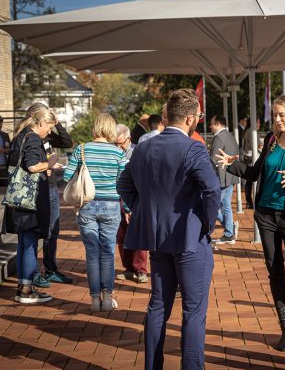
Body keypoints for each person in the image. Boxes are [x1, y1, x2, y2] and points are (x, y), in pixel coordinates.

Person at [117, 88, 220, 370]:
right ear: (189, 119)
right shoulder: (193, 147)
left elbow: (123, 185)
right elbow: (211, 188)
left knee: (158, 305)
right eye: (197, 116)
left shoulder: (144, 147)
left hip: (158, 238)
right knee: (193, 311)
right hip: (189, 237)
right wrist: (207, 223)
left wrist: (146, 209)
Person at [216, 95, 285, 352]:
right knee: (274, 271)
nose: (278, 120)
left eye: (283, 115)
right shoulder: (271, 141)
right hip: (266, 215)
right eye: (276, 115)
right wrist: (232, 164)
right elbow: (254, 173)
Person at [64, 113, 127, 311]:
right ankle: (108, 298)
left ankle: (94, 300)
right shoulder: (118, 153)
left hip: (87, 205)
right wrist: (128, 208)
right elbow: (124, 183)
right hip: (110, 206)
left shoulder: (81, 149)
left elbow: (67, 176)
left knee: (92, 253)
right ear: (111, 129)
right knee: (107, 252)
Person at [3, 108, 58, 304]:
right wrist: (50, 163)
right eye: (50, 127)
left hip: (19, 200)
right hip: (30, 202)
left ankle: (23, 287)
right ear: (42, 123)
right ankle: (26, 290)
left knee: (23, 243)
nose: (49, 132)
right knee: (30, 244)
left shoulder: (21, 136)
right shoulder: (33, 138)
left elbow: (26, 166)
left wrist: (45, 169)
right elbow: (33, 166)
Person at [24, 102, 74, 288]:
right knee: (39, 231)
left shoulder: (48, 135)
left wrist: (58, 123)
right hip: (37, 188)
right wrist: (45, 167)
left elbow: (67, 142)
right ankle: (35, 272)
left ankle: (51, 269)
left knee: (53, 230)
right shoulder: (30, 136)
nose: (50, 128)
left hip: (51, 187)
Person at [114, 124, 148, 283]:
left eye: (121, 143)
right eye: (115, 143)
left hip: (135, 199)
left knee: (139, 234)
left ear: (128, 139)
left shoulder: (137, 152)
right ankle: (128, 268)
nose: (118, 146)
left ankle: (141, 270)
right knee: (121, 236)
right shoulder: (113, 153)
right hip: (117, 198)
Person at [209, 115, 240, 244]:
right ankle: (229, 230)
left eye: (211, 124)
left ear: (217, 123)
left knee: (214, 206)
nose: (210, 126)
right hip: (231, 175)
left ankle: (229, 230)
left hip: (222, 177)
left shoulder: (219, 137)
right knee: (225, 204)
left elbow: (213, 159)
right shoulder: (230, 135)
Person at [242, 118, 262, 209]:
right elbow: (257, 145)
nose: (259, 124)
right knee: (252, 180)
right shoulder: (252, 132)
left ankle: (249, 201)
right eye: (258, 122)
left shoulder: (247, 131)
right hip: (252, 157)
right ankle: (250, 201)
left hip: (247, 156)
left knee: (248, 182)